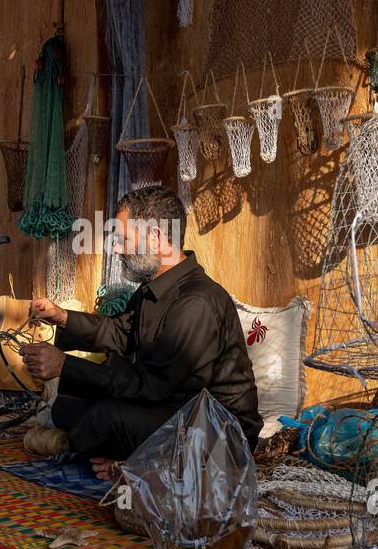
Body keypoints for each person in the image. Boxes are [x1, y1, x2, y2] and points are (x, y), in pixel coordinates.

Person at [19, 186, 261, 479]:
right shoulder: (155, 286)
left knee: (105, 417)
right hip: (170, 409)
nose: (117, 249)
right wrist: (62, 317)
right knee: (66, 408)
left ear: (157, 238)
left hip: (216, 434)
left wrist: (64, 365)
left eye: (123, 240)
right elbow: (120, 332)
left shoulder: (196, 302)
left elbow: (152, 386)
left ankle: (136, 465)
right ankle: (121, 455)